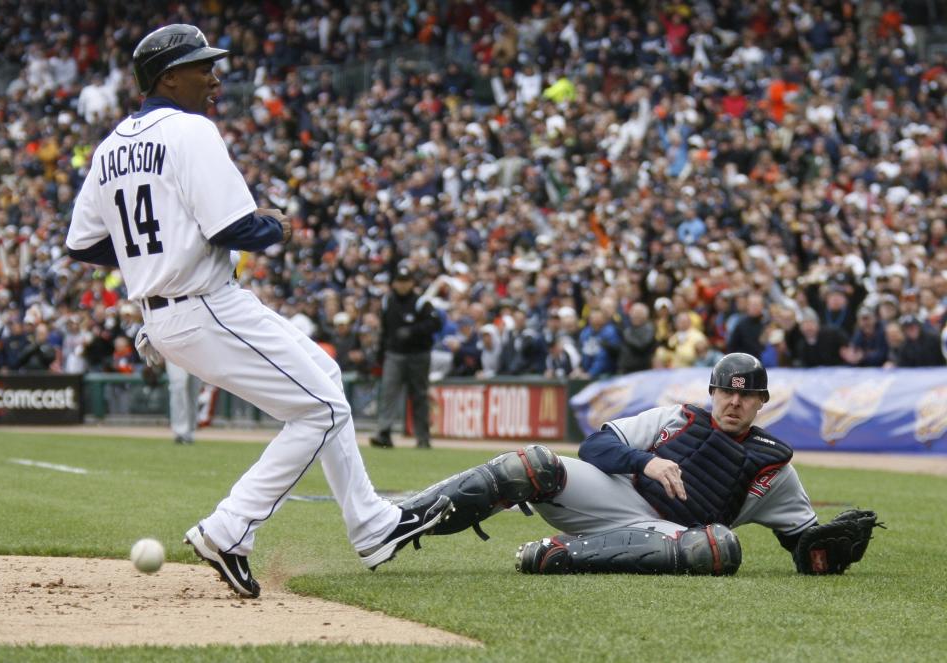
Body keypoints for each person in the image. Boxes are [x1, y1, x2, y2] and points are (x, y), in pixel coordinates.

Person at [66, 24, 452, 599]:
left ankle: (371, 524)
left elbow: (82, 243)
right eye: (203, 67)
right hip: (202, 303)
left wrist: (152, 255)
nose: (215, 77)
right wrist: (279, 226)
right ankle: (229, 529)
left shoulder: (112, 146)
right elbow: (236, 228)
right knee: (318, 408)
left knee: (325, 382)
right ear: (169, 78)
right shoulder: (191, 130)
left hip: (172, 308)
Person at [396, 353, 879, 576]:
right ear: (712, 392)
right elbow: (594, 449)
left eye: (746, 394)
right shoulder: (674, 417)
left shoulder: (774, 468)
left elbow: (803, 542)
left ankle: (557, 558)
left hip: (669, 536)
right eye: (726, 390)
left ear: (761, 402)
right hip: (611, 501)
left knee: (719, 549)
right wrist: (644, 462)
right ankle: (402, 519)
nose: (734, 401)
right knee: (533, 464)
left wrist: (822, 555)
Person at [370, 265, 441, 449]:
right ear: (394, 283)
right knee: (388, 393)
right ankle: (384, 432)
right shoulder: (388, 301)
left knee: (419, 396)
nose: (402, 285)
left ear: (412, 283)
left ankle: (423, 437)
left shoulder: (421, 302)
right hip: (395, 354)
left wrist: (412, 331)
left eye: (406, 281)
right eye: (399, 281)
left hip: (418, 354)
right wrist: (380, 354)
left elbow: (435, 324)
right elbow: (384, 331)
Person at [167, 360, 200, 444]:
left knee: (193, 390)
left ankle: (190, 432)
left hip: (198, 350)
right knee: (178, 384)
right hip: (174, 348)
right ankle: (180, 432)